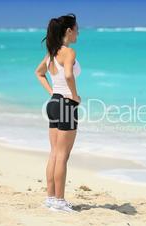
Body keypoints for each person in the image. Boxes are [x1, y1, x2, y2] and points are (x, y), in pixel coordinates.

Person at [35, 13, 81, 213]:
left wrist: (53, 92)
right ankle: (60, 201)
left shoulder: (51, 53)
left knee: (54, 153)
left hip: (53, 103)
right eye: (76, 28)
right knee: (62, 155)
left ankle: (51, 198)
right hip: (66, 104)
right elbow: (69, 75)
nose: (78, 32)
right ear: (69, 31)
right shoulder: (68, 52)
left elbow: (39, 73)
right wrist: (75, 95)